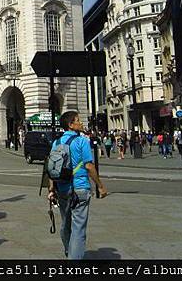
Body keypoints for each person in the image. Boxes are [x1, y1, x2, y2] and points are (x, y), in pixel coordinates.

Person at [48, 111, 108, 260]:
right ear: (71, 125)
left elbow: (50, 168)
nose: (81, 123)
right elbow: (88, 166)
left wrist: (51, 189)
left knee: (66, 224)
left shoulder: (56, 143)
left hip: (62, 189)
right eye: (78, 120)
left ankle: (69, 251)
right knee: (78, 229)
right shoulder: (82, 141)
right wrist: (100, 185)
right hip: (80, 188)